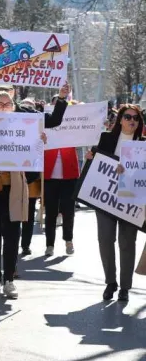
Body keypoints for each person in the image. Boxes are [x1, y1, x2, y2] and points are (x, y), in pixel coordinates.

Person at [0, 92, 46, 299]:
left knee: (13, 234)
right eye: (0, 103)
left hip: (13, 189)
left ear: (13, 107)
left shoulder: (24, 129)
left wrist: (38, 143)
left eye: (8, 104)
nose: (4, 107)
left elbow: (33, 162)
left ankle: (10, 281)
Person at [87, 104, 144, 302]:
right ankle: (111, 282)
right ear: (120, 120)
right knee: (105, 239)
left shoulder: (143, 144)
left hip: (131, 202)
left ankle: (125, 287)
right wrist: (90, 158)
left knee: (127, 243)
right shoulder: (106, 139)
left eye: (136, 118)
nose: (132, 121)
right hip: (105, 198)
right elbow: (95, 163)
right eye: (128, 117)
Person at [43, 95, 80, 257]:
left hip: (69, 175)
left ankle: (68, 240)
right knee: (50, 212)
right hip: (49, 176)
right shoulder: (44, 122)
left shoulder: (72, 123)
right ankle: (49, 244)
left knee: (68, 211)